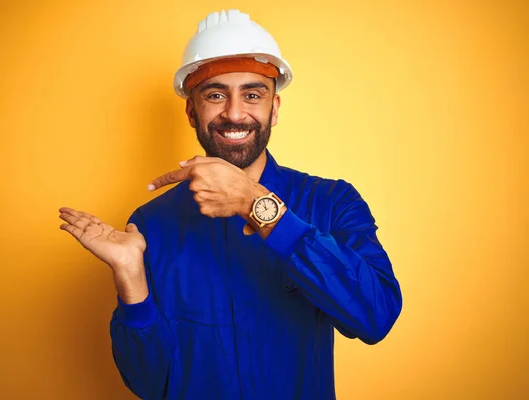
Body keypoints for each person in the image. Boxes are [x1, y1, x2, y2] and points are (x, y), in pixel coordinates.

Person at [58, 9, 402, 400]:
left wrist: (257, 205)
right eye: (216, 94)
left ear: (274, 108)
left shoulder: (332, 202)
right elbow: (150, 385)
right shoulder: (149, 225)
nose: (235, 113)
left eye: (253, 94)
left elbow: (376, 317)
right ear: (192, 111)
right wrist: (130, 277)